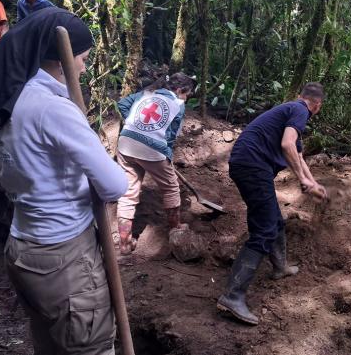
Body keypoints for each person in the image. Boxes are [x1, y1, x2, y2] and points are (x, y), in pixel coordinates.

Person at [0, 8, 128, 354]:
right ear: (61, 61)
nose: (85, 69)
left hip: (23, 248)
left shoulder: (13, 98)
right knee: (90, 347)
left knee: (51, 345)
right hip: (63, 257)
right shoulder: (53, 109)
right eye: (84, 59)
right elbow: (114, 186)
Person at [217, 82, 328, 325]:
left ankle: (280, 266)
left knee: (274, 220)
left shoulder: (290, 111)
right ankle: (232, 296)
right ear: (316, 106)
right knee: (265, 228)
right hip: (253, 166)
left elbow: (297, 154)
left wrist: (312, 183)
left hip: (249, 164)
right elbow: (287, 145)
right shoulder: (300, 110)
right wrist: (302, 180)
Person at [115, 72, 193, 255]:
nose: (186, 99)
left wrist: (135, 124)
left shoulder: (147, 94)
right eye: (186, 95)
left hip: (125, 143)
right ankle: (176, 229)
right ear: (180, 90)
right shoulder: (178, 105)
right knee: (171, 187)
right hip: (153, 149)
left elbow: (122, 104)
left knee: (127, 193)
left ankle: (125, 244)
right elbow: (171, 137)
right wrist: (167, 154)